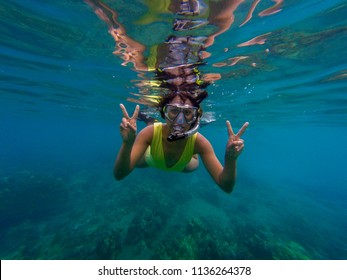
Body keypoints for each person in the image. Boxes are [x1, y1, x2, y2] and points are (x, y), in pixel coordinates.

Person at [114, 90, 249, 194]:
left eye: (188, 113)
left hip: (185, 165)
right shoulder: (149, 133)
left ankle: (191, 135)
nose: (179, 120)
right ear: (164, 113)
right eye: (173, 111)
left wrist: (230, 158)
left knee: (193, 164)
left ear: (195, 117)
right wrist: (127, 143)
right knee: (147, 139)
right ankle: (151, 120)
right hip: (151, 159)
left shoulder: (200, 143)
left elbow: (226, 187)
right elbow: (119, 175)